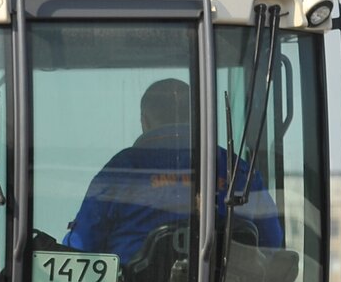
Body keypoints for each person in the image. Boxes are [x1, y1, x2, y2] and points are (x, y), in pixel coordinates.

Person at [63, 78, 283, 264]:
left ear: (145, 121)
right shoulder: (237, 170)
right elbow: (272, 244)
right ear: (197, 117)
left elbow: (81, 248)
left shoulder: (122, 169)